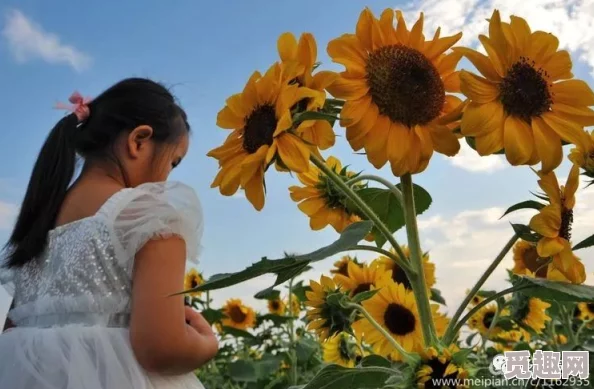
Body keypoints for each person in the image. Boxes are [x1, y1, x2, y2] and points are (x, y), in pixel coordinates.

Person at [0, 78, 218, 388]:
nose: (168, 174)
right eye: (173, 161)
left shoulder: (36, 225)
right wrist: (206, 343)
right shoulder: (147, 214)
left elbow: (13, 327)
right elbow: (162, 350)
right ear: (139, 141)